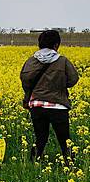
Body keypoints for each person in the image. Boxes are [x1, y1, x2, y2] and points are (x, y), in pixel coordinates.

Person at [20, 30, 79, 163]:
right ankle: (70, 166)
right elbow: (73, 79)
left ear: (39, 44)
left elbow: (25, 80)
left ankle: (33, 164)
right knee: (65, 140)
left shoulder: (30, 61)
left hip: (37, 106)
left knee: (40, 138)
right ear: (56, 45)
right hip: (58, 106)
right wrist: (60, 85)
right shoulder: (63, 61)